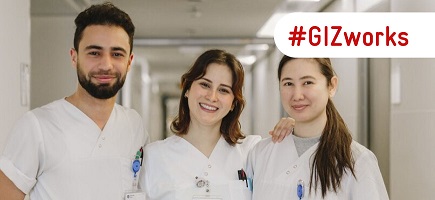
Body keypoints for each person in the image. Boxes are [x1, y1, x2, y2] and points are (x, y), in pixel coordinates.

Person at [0, 2, 149, 200]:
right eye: (94, 53)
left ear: (129, 61)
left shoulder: (134, 124)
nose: (106, 64)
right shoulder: (36, 126)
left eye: (116, 54)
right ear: (74, 57)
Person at [142, 49, 294, 200]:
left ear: (233, 103)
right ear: (187, 89)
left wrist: (297, 129)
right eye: (205, 85)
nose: (212, 97)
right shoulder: (154, 156)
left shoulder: (251, 152)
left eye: (223, 90)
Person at [246, 56, 389, 200]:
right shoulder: (261, 153)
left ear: (331, 86)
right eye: (288, 83)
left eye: (307, 82)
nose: (297, 95)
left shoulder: (357, 160)